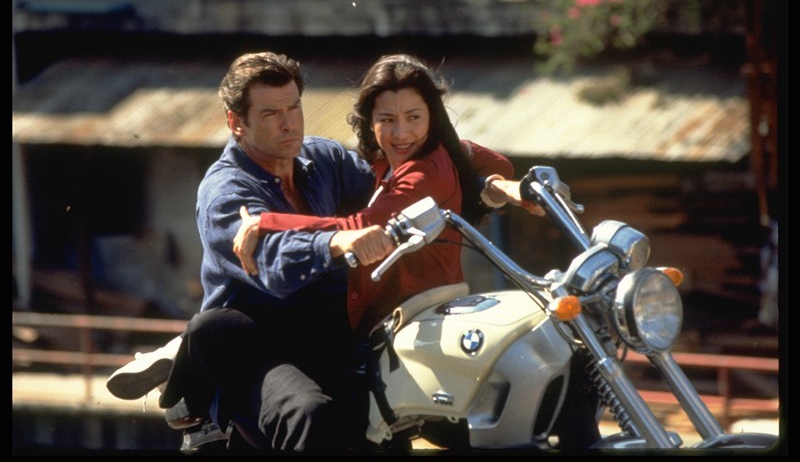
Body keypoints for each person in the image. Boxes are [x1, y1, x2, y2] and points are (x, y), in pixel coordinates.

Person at [105, 51, 526, 453]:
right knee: (310, 415)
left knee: (403, 409)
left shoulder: (321, 159)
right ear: (237, 122)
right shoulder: (225, 191)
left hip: (332, 336)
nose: (289, 123)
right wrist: (334, 241)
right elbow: (274, 261)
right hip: (256, 342)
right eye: (271, 113)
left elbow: (401, 177)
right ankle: (189, 364)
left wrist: (491, 183)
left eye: (294, 107)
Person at [232, 53, 540, 339]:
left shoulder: (423, 174)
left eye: (414, 117)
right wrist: (499, 185)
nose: (401, 133)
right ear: (370, 121)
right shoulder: (393, 160)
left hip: (412, 322)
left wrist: (267, 222)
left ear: (432, 117)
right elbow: (488, 159)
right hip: (391, 312)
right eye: (387, 120)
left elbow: (361, 227)